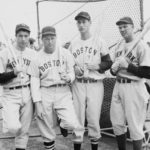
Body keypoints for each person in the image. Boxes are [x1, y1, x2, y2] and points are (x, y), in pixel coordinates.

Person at [27, 26, 81, 150]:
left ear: (56, 38)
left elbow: (72, 72)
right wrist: (37, 103)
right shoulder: (37, 57)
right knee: (45, 125)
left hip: (63, 91)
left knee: (71, 122)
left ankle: (62, 123)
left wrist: (69, 77)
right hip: (45, 91)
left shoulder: (65, 53)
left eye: (52, 38)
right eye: (46, 39)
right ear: (42, 40)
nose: (50, 41)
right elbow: (34, 81)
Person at [70, 11, 112, 150]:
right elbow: (68, 63)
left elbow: (108, 62)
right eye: (79, 22)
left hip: (95, 84)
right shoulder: (73, 43)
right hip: (79, 84)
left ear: (89, 23)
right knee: (77, 118)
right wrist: (74, 68)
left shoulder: (100, 41)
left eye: (84, 22)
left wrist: (98, 66)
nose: (81, 25)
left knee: (93, 119)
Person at [110, 17, 150, 150]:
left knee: (135, 126)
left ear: (132, 27)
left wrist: (128, 66)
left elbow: (148, 73)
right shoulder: (119, 45)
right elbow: (113, 70)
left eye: (125, 26)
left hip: (134, 87)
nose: (122, 29)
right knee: (116, 124)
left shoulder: (141, 46)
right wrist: (113, 69)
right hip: (118, 86)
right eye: (120, 27)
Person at [0, 23, 36, 150]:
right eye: (20, 36)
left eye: (26, 36)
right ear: (15, 36)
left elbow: (36, 78)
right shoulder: (5, 53)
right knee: (13, 127)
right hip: (10, 93)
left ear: (29, 37)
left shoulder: (32, 54)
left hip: (27, 92)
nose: (23, 39)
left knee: (24, 131)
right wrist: (13, 73)